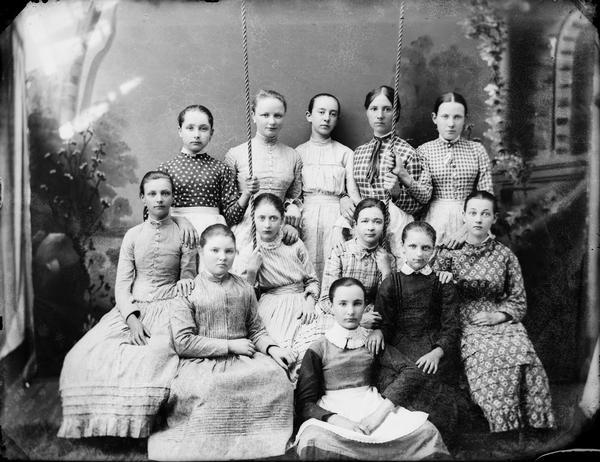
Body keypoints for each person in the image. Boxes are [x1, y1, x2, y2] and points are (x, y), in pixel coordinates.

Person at [58, 171, 196, 438]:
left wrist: (183, 288)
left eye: (165, 193)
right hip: (131, 309)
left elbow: (188, 278)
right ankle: (100, 427)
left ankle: (142, 427)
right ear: (143, 197)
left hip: (169, 308)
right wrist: (132, 319)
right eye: (153, 194)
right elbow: (122, 286)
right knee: (83, 354)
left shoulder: (184, 232)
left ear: (173, 196)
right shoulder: (133, 235)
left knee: (150, 358)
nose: (159, 199)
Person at [147, 224, 295, 461]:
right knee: (214, 387)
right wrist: (229, 345)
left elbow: (256, 329)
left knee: (278, 379)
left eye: (229, 251)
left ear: (236, 253)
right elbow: (184, 343)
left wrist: (273, 349)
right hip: (201, 362)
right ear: (201, 251)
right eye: (215, 250)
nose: (222, 257)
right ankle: (214, 447)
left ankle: (261, 443)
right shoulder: (188, 291)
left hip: (243, 358)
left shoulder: (244, 288)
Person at [434, 191, 556, 434]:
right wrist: (443, 281)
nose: (478, 219)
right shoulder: (447, 254)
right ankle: (503, 424)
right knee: (489, 355)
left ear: (494, 218)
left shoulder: (504, 255)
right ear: (464, 216)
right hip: (464, 319)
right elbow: (433, 295)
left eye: (485, 214)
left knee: (522, 350)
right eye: (473, 213)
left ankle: (534, 422)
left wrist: (497, 316)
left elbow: (518, 300)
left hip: (498, 318)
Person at [294, 277, 450, 460]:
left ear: (366, 307)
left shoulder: (372, 341)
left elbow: (411, 371)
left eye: (357, 303)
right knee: (313, 440)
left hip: (372, 406)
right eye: (343, 304)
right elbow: (305, 403)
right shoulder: (319, 348)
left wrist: (379, 414)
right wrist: (336, 419)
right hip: (333, 410)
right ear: (332, 306)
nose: (350, 311)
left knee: (426, 432)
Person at [368, 221, 461, 444]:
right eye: (412, 246)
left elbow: (451, 326)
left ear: (434, 250)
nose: (418, 254)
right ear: (401, 248)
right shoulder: (391, 283)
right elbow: (385, 322)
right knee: (398, 377)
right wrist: (379, 332)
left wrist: (438, 352)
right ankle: (392, 430)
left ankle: (422, 437)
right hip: (398, 348)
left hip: (430, 348)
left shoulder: (442, 283)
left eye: (425, 248)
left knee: (432, 386)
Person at [225, 89, 303, 275]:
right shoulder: (236, 154)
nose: (272, 121)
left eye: (278, 115)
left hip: (279, 231)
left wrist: (291, 222)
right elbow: (227, 207)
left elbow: (295, 197)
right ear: (253, 116)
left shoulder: (293, 156)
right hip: (245, 232)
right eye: (265, 115)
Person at [349, 85, 431, 260]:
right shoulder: (359, 153)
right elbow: (352, 190)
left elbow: (419, 206)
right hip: (367, 224)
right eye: (374, 109)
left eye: (387, 109)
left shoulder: (407, 152)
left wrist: (397, 194)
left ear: (396, 113)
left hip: (397, 223)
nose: (380, 115)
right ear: (367, 112)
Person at [157, 104, 258, 246]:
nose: (197, 134)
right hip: (176, 236)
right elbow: (151, 212)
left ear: (211, 133)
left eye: (203, 128)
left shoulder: (220, 169)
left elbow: (231, 217)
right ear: (180, 131)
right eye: (190, 128)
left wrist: (246, 193)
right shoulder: (165, 169)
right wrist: (178, 220)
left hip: (213, 239)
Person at [246, 193, 319, 378]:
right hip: (270, 305)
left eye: (273, 218)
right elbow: (244, 295)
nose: (267, 224)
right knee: (271, 354)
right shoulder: (250, 246)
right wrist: (252, 272)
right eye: (261, 218)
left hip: (300, 303)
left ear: (282, 220)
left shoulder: (293, 243)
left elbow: (312, 279)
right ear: (254, 218)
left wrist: (310, 302)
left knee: (311, 352)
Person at [296, 93, 360, 280]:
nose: (326, 118)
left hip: (335, 217)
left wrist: (345, 198)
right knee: (306, 265)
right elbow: (294, 194)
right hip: (305, 216)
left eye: (332, 114)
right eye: (321, 112)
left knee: (334, 266)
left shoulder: (345, 153)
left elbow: (353, 193)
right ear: (309, 115)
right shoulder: (298, 153)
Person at [416, 92, 493, 246]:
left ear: (465, 119)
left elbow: (487, 196)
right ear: (434, 118)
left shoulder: (477, 150)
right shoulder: (424, 151)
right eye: (445, 116)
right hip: (436, 219)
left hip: (473, 221)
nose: (451, 123)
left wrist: (466, 229)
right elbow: (422, 195)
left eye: (457, 117)